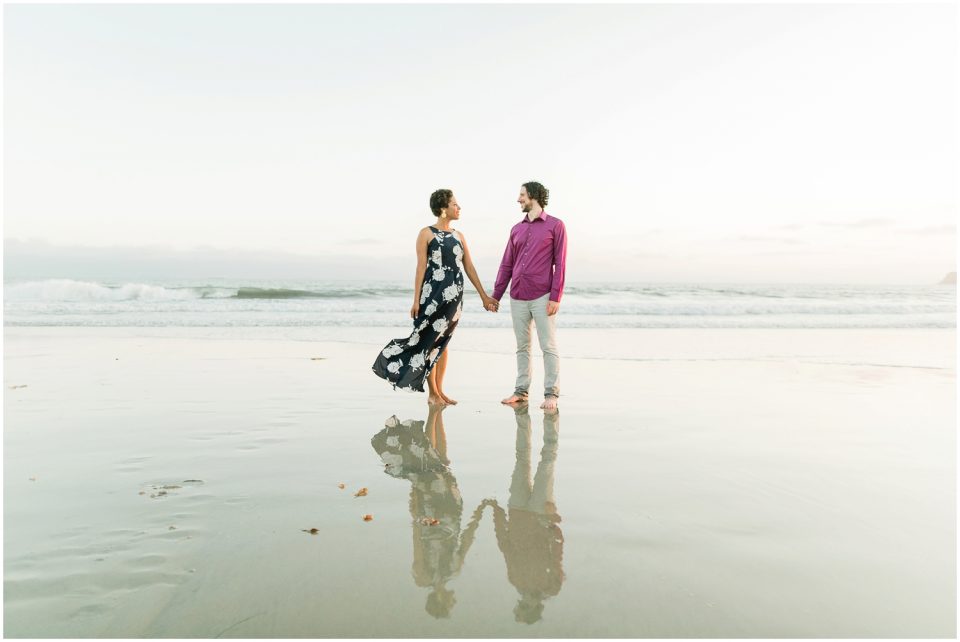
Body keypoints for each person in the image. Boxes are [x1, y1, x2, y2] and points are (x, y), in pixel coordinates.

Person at [373, 189, 497, 405]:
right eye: (455, 204)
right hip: (433, 295)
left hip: (454, 297)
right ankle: (432, 394)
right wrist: (415, 300)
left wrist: (484, 296)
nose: (459, 208)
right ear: (443, 208)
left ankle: (440, 391)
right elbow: (420, 268)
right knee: (429, 340)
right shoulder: (426, 233)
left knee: (444, 342)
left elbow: (469, 267)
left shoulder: (459, 236)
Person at [490, 182, 567, 410]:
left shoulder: (556, 225)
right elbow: (506, 264)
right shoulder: (516, 229)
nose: (518, 199)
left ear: (533, 196)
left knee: (548, 346)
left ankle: (551, 394)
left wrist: (556, 296)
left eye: (522, 195)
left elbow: (560, 264)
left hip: (543, 295)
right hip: (518, 296)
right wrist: (496, 295)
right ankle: (521, 392)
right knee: (522, 346)